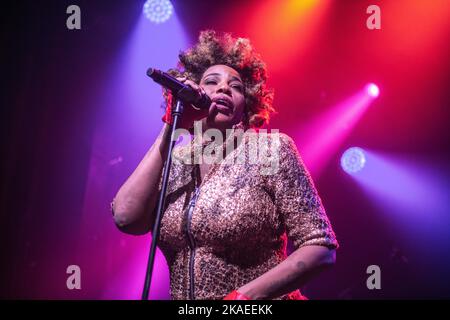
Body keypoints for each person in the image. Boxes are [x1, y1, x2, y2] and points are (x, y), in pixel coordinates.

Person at [111, 30, 338, 300]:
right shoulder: (174, 161)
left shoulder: (270, 149)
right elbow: (126, 218)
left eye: (236, 86)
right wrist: (172, 127)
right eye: (211, 82)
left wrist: (242, 298)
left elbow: (320, 248)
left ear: (246, 104)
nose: (223, 88)